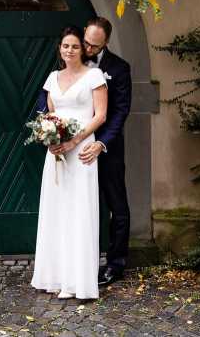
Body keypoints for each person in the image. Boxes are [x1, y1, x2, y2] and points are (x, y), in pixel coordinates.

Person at [36, 17, 132, 286]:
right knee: (71, 205)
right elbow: (47, 101)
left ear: (105, 44)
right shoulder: (66, 65)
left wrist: (101, 143)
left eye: (93, 46)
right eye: (85, 43)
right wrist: (47, 127)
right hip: (70, 148)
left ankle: (115, 264)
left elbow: (119, 112)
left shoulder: (118, 69)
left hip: (105, 146)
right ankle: (68, 265)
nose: (87, 49)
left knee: (117, 205)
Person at [30, 25, 108, 299]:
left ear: (82, 49)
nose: (70, 50)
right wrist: (50, 137)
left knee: (79, 211)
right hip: (58, 153)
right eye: (66, 46)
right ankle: (55, 276)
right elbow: (50, 113)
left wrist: (75, 141)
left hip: (83, 151)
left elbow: (100, 116)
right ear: (59, 49)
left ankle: (79, 281)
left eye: (75, 46)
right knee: (57, 211)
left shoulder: (94, 76)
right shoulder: (53, 77)